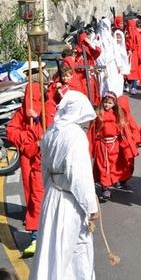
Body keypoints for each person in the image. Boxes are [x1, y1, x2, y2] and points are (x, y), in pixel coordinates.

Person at [30, 90, 99, 280]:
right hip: (70, 199)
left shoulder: (51, 131)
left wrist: (50, 190)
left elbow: (44, 168)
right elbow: (79, 176)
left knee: (52, 248)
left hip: (52, 194)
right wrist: (91, 206)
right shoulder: (75, 135)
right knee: (69, 249)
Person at [6, 82, 45, 256]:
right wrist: (26, 139)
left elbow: (51, 129)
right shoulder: (21, 112)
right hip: (27, 157)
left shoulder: (46, 109)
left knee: (44, 193)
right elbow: (11, 131)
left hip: (44, 158)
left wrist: (37, 120)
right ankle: (35, 229)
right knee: (31, 192)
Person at [87, 91, 125, 201]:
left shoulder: (118, 115)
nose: (107, 105)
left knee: (112, 165)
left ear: (114, 104)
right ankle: (105, 188)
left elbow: (122, 130)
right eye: (105, 102)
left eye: (110, 103)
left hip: (114, 145)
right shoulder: (98, 115)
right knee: (104, 166)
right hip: (102, 145)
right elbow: (92, 131)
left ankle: (109, 181)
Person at [74, 32, 102, 105]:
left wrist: (90, 43)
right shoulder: (77, 52)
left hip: (90, 76)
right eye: (83, 41)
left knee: (93, 93)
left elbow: (98, 51)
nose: (84, 44)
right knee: (85, 94)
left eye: (85, 42)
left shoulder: (90, 51)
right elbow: (76, 66)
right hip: (82, 78)